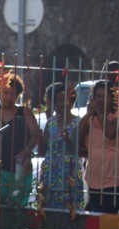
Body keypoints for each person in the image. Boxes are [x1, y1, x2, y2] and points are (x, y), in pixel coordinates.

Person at [0, 73, 40, 207]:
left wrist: (27, 151)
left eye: (13, 94)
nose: (9, 97)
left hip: (18, 166)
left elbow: (36, 134)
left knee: (17, 205)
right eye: (6, 92)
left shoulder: (24, 113)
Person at [79, 80, 119, 213]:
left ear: (111, 98)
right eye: (98, 96)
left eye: (105, 96)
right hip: (94, 177)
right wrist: (89, 113)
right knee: (96, 214)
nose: (101, 100)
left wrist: (100, 113)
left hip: (114, 177)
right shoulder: (91, 118)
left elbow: (110, 133)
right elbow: (77, 135)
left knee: (108, 215)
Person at [38, 82, 84, 211]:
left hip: (69, 168)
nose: (60, 103)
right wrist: (39, 137)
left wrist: (68, 141)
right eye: (57, 100)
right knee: (49, 199)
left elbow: (82, 149)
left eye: (64, 100)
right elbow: (42, 151)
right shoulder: (51, 122)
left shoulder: (77, 122)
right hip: (51, 168)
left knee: (69, 198)